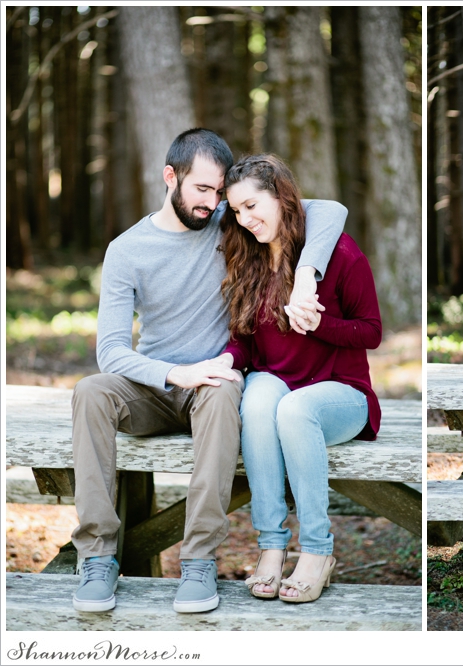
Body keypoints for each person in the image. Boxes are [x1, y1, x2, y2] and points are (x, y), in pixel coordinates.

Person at [71, 129, 346, 614]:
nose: (212, 203)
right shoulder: (126, 250)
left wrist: (307, 275)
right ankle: (97, 556)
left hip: (214, 387)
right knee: (91, 392)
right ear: (170, 177)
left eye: (219, 192)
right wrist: (177, 372)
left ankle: (198, 559)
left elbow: (328, 211)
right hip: (156, 386)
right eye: (202, 190)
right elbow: (111, 351)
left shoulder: (227, 222)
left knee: (222, 389)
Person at [216, 154, 381, 604]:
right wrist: (227, 361)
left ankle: (317, 551)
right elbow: (245, 342)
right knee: (255, 396)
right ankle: (271, 546)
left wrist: (318, 324)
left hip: (342, 394)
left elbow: (372, 331)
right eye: (236, 211)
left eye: (252, 205)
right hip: (279, 383)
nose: (245, 219)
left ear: (281, 196)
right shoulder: (248, 258)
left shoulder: (339, 253)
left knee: (294, 407)